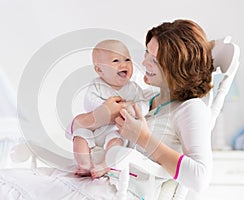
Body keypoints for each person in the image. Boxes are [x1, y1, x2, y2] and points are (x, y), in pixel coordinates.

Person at [72, 19, 214, 198]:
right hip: (104, 179)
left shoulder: (190, 109)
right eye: (147, 52)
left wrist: (144, 138)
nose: (144, 62)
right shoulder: (143, 97)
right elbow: (76, 127)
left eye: (154, 60)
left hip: (123, 190)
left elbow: (200, 179)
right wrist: (98, 116)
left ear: (177, 68)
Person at [72, 39, 149, 178]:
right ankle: (84, 165)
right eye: (116, 61)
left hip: (116, 128)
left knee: (117, 141)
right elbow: (89, 103)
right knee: (80, 135)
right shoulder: (97, 85)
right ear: (99, 69)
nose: (123, 64)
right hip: (96, 128)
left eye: (127, 59)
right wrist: (105, 109)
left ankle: (104, 165)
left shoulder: (134, 89)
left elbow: (144, 105)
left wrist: (131, 108)